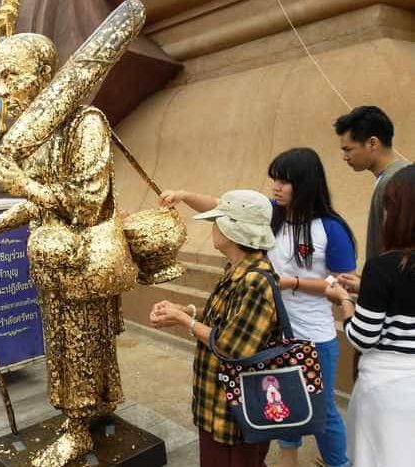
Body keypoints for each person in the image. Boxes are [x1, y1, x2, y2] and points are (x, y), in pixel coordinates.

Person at [0, 33, 129, 467]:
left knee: (81, 346)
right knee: (64, 346)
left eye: (11, 76)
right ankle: (92, 412)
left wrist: (19, 182)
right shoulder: (37, 135)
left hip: (83, 259)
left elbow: (87, 203)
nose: (3, 89)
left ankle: (78, 430)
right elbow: (38, 201)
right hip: (52, 260)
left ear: (43, 76)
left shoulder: (85, 124)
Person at [149, 190, 281, 467]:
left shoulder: (255, 280)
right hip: (218, 407)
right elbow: (225, 322)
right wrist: (187, 312)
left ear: (232, 231)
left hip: (235, 417)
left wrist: (186, 321)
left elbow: (232, 347)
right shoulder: (237, 270)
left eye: (217, 221)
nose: (213, 227)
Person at [266, 148, 355, 467]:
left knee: (323, 411)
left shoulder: (330, 228)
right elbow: (225, 209)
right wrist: (182, 194)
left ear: (304, 183)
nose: (276, 186)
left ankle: (338, 463)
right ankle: (288, 460)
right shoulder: (272, 218)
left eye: (284, 180)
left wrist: (294, 283)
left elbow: (343, 284)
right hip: (277, 338)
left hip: (315, 340)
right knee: (283, 407)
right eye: (274, 179)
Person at [324, 165, 415, 467]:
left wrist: (345, 302)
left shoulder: (384, 266)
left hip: (388, 390)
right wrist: (369, 289)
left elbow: (364, 336)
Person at [333, 105, 411, 292]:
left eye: (348, 149)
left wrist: (371, 286)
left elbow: (401, 254)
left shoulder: (397, 183)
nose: (344, 157)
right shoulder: (394, 178)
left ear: (373, 143)